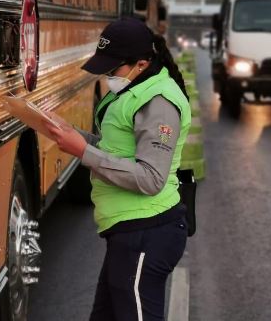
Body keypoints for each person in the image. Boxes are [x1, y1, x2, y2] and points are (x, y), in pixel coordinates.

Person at [43, 17, 191, 321]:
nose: (108, 75)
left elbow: (151, 178)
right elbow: (116, 149)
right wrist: (71, 134)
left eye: (114, 68)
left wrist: (83, 151)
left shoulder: (159, 102)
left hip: (148, 232)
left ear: (141, 63)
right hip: (128, 234)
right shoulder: (131, 90)